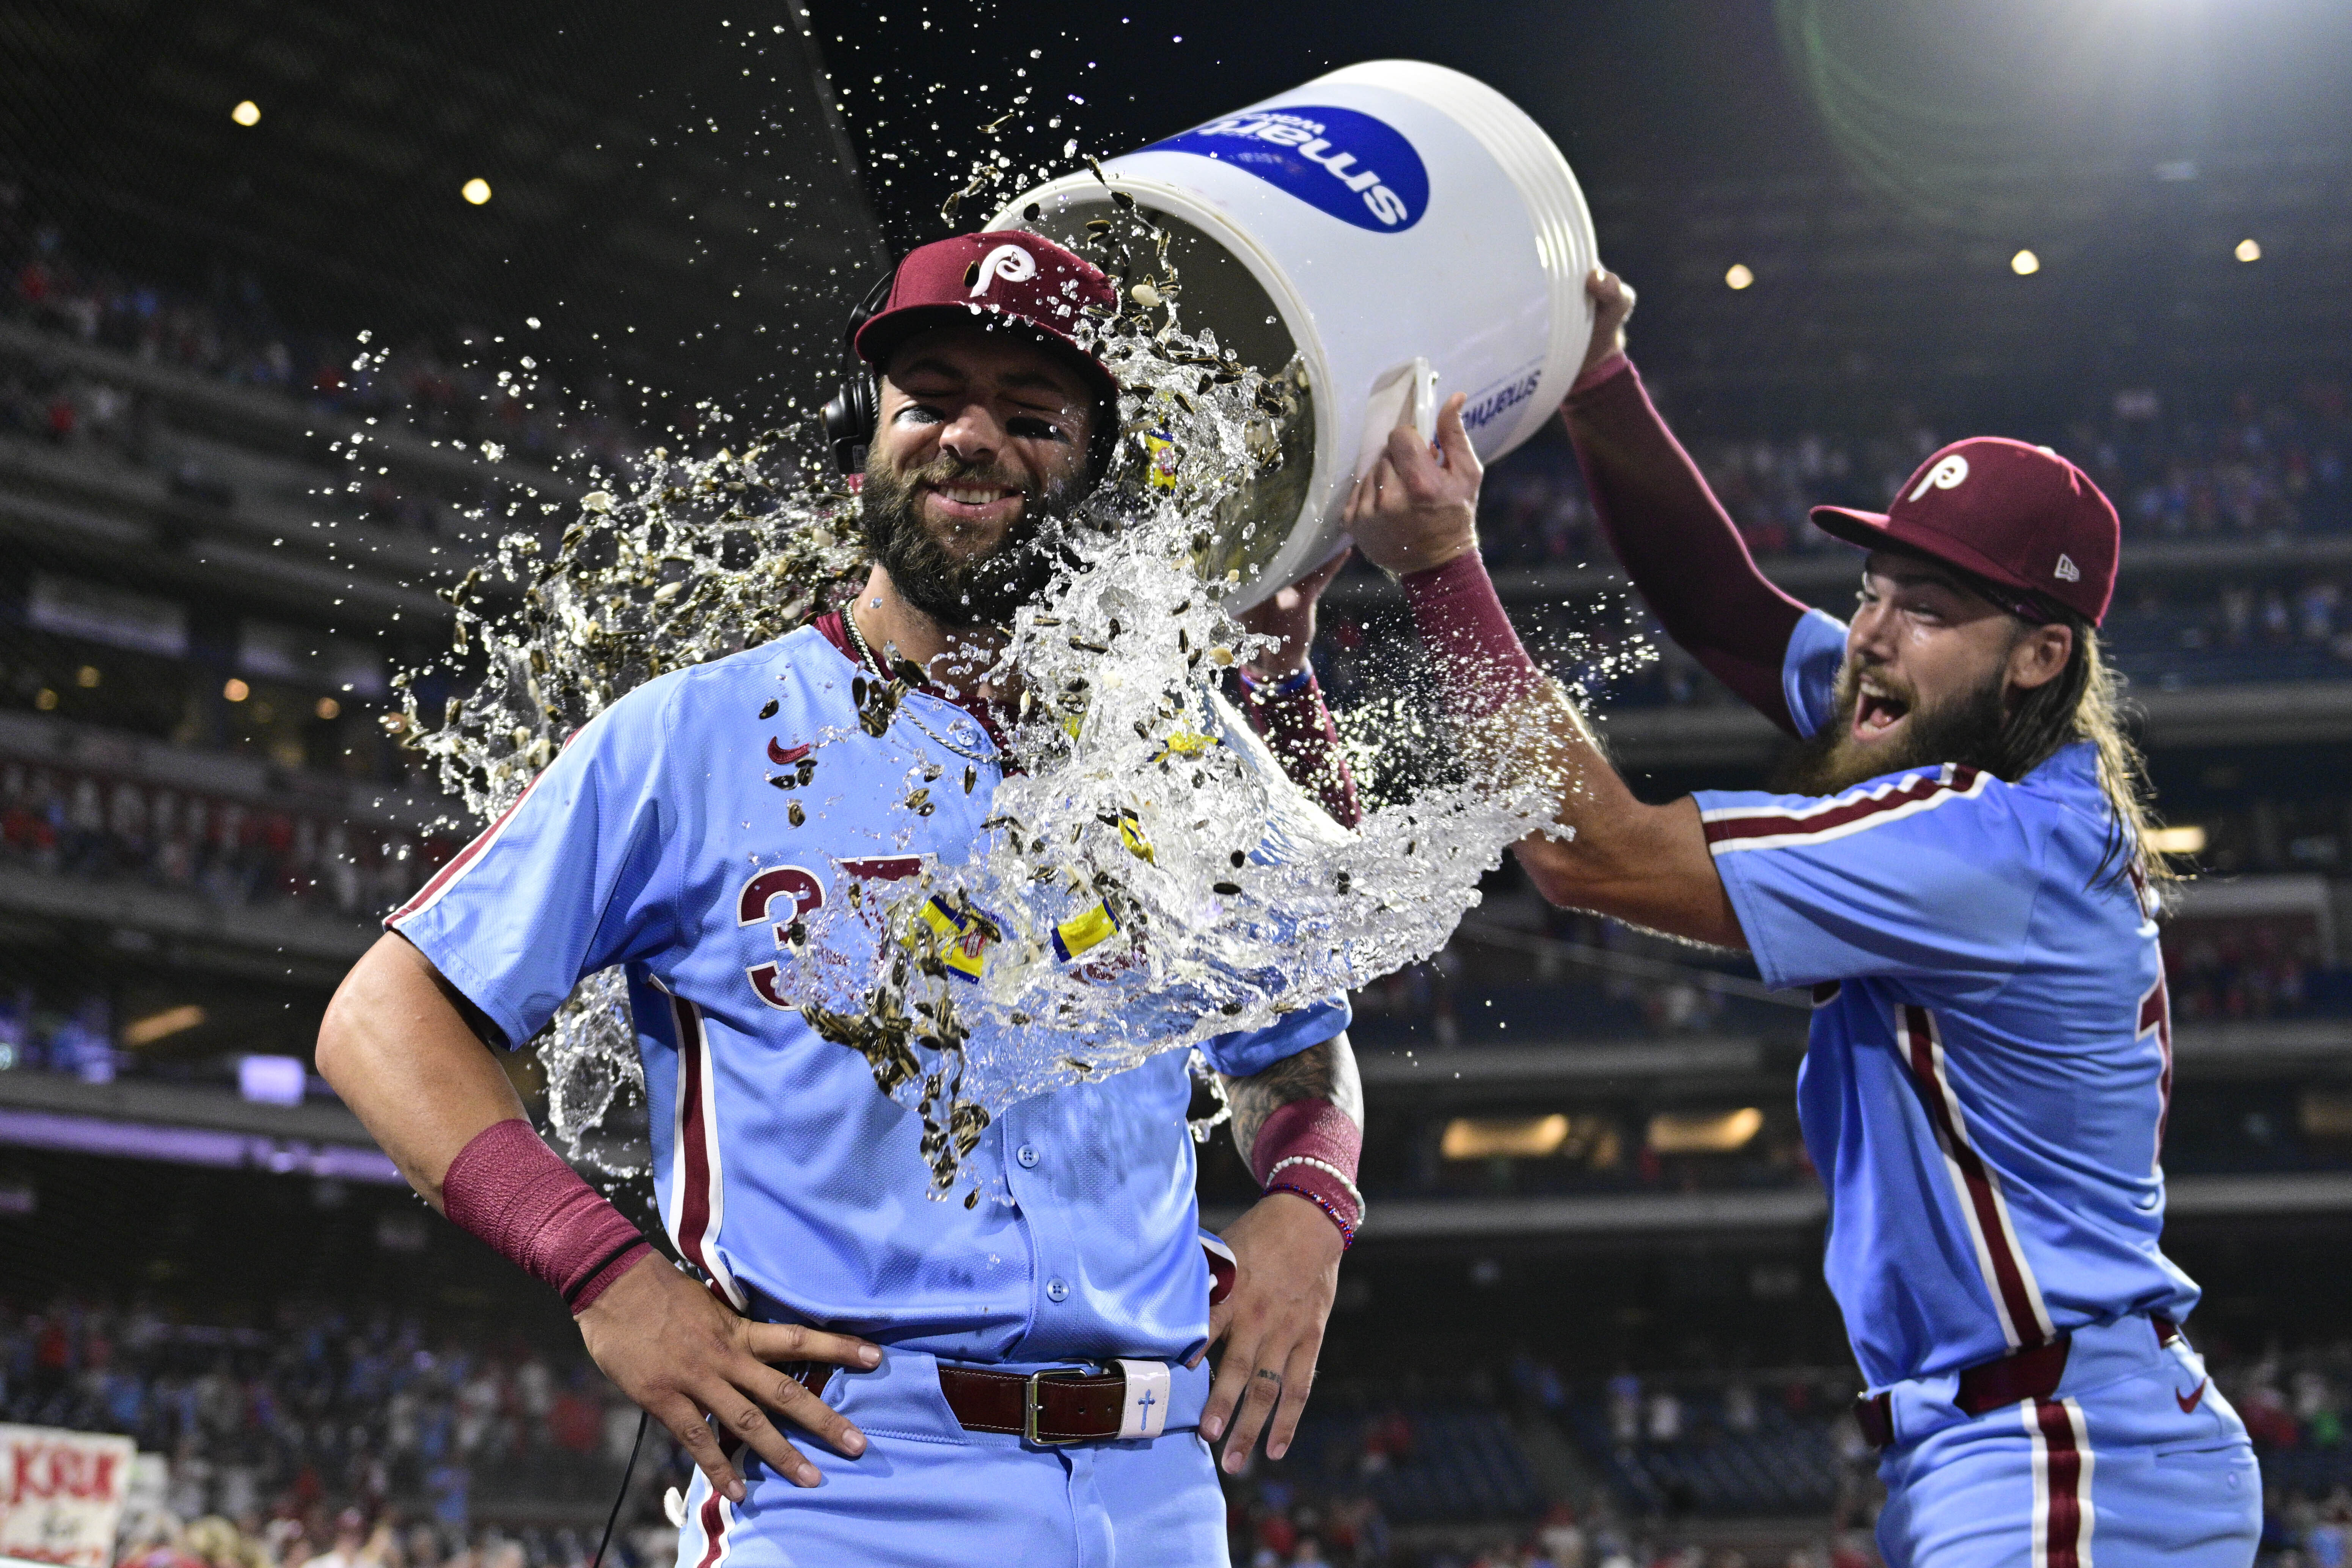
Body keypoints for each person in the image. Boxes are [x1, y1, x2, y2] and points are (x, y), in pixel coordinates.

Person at [316, 229, 1367, 1567]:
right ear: (864, 434)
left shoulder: (1172, 748)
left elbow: (1296, 1043)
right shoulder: (694, 736)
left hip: (1158, 1493)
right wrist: (604, 1272)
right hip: (840, 1485)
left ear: (1094, 469)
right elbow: (382, 1022)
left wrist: (1307, 1205)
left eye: (1033, 415)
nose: (970, 438)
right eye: (929, 399)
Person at [1340, 267, 2259, 1567]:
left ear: (2040, 655)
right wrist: (1598, 380)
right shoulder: (1980, 735)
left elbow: (1591, 858)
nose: (1869, 635)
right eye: (1873, 584)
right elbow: (1724, 611)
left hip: (2062, 1452)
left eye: (1923, 608)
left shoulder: (1988, 842)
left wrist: (1441, 568)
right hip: (2026, 1435)